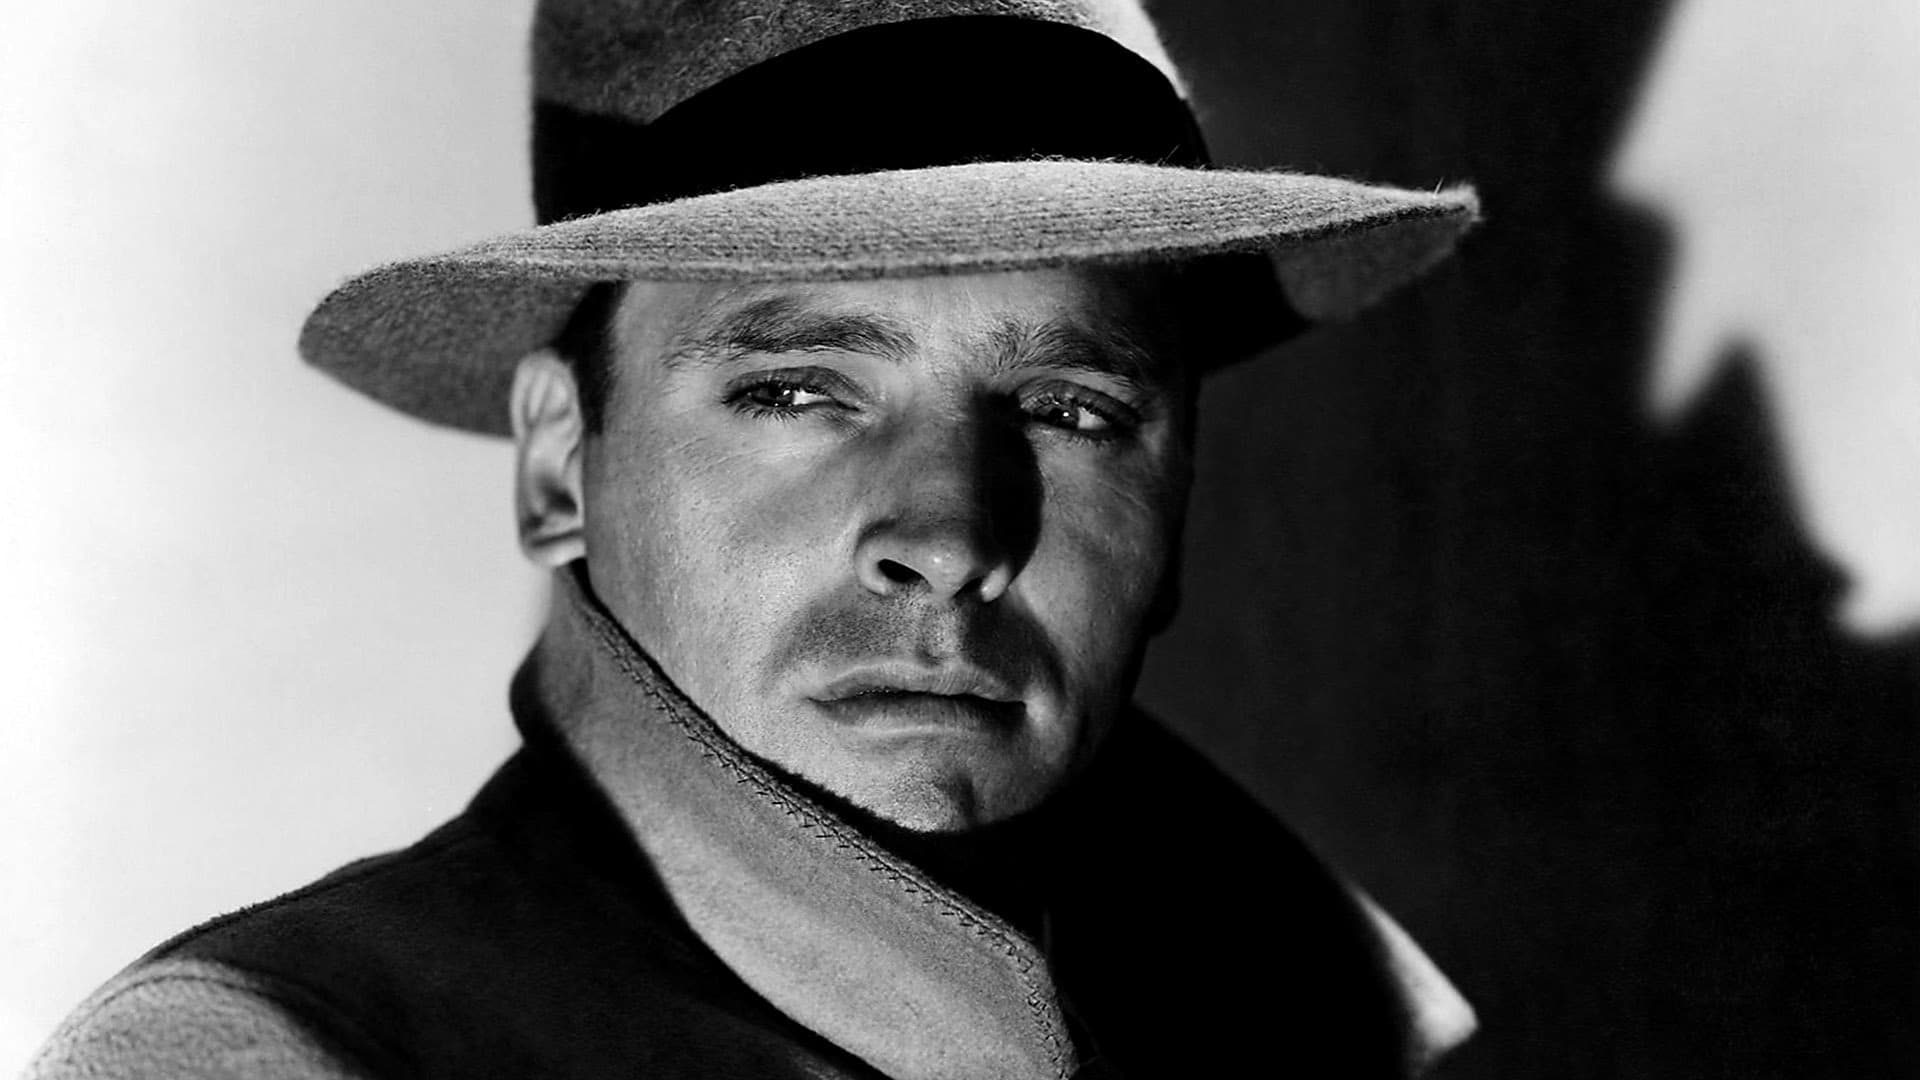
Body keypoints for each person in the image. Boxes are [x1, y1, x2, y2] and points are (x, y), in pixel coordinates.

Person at [27, 1, 1483, 1077]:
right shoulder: (278, 1054)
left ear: (1180, 506)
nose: (950, 536)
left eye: (1072, 410)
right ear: (559, 465)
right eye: (796, 392)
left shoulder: (1300, 1029)